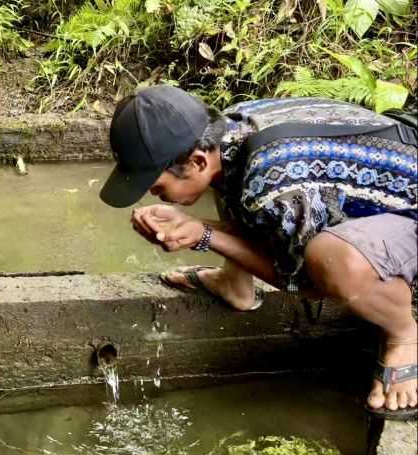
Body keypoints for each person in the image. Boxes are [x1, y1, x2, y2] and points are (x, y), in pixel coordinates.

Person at [99, 85, 417, 420]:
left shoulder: (271, 175)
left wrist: (204, 234)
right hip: (393, 167)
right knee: (236, 186)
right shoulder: (235, 130)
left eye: (157, 185)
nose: (152, 193)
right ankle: (235, 282)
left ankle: (404, 333)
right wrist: (195, 227)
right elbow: (262, 213)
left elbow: (309, 285)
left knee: (332, 259)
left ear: (196, 161)